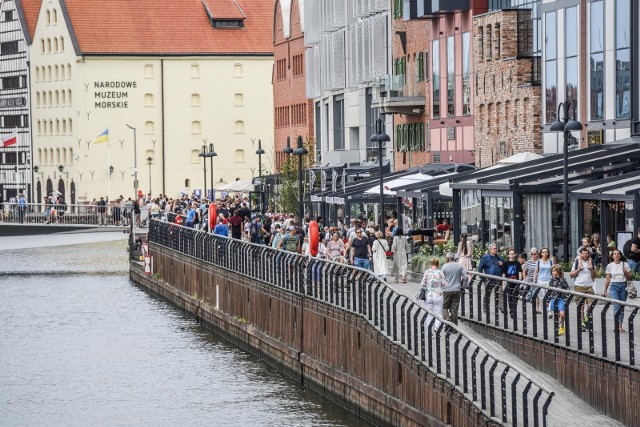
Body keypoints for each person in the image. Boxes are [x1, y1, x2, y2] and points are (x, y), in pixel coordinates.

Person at [603, 249, 632, 332]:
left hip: (623, 286)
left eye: (618, 254)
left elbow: (630, 276)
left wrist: (625, 272)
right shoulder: (610, 266)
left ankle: (620, 326)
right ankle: (616, 325)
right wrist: (605, 289)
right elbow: (608, 279)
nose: (616, 255)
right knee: (616, 306)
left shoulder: (625, 264)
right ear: (612, 256)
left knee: (622, 306)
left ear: (620, 255)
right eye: (614, 254)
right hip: (613, 286)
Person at [570, 247, 596, 329]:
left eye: (586, 253)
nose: (585, 255)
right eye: (583, 253)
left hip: (589, 287)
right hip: (579, 286)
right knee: (581, 306)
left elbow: (595, 276)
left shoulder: (591, 262)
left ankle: (586, 318)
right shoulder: (577, 262)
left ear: (589, 254)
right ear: (581, 254)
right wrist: (578, 269)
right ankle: (582, 322)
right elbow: (571, 275)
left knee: (590, 305)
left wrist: (591, 269)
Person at [477, 243, 504, 316]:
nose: (495, 250)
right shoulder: (485, 258)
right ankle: (485, 309)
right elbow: (479, 269)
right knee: (487, 294)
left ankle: (501, 307)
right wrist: (483, 279)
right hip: (489, 280)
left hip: (498, 279)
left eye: (496, 248)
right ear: (490, 250)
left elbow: (504, 268)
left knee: (500, 293)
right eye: (494, 249)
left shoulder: (499, 258)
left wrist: (502, 265)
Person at [419, 258, 447, 328]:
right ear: (437, 264)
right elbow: (445, 285)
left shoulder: (427, 272)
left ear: (430, 264)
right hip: (438, 296)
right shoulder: (440, 272)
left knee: (429, 314)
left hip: (429, 296)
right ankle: (436, 328)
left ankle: (430, 332)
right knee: (439, 314)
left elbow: (422, 284)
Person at [441, 252, 467, 329]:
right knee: (454, 309)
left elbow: (441, 278)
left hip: (447, 290)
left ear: (448, 258)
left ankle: (447, 321)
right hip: (457, 289)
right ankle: (454, 328)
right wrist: (463, 286)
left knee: (445, 307)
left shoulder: (444, 266)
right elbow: (465, 277)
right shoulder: (459, 266)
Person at [547, 265, 569, 336]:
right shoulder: (551, 280)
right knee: (557, 315)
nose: (553, 272)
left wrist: (567, 297)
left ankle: (562, 325)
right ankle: (558, 329)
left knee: (562, 314)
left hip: (561, 299)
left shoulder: (563, 279)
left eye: (555, 271)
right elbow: (549, 291)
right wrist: (548, 300)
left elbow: (567, 289)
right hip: (554, 299)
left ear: (558, 271)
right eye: (552, 271)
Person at [502, 248, 523, 319]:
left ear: (515, 254)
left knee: (515, 298)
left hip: (516, 282)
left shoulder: (517, 263)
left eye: (513, 254)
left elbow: (520, 272)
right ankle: (511, 310)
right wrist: (504, 282)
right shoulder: (505, 263)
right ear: (508, 255)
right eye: (510, 254)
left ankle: (514, 310)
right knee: (510, 297)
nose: (512, 255)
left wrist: (519, 280)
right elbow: (504, 273)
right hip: (508, 282)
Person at [533, 247, 554, 314]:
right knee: (542, 297)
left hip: (549, 280)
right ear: (541, 253)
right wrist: (534, 281)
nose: (545, 253)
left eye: (546, 252)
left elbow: (553, 270)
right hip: (540, 280)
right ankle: (544, 310)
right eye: (543, 252)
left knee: (549, 296)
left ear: (548, 253)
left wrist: (554, 280)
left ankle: (550, 311)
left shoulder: (551, 261)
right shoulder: (538, 261)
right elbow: (536, 271)